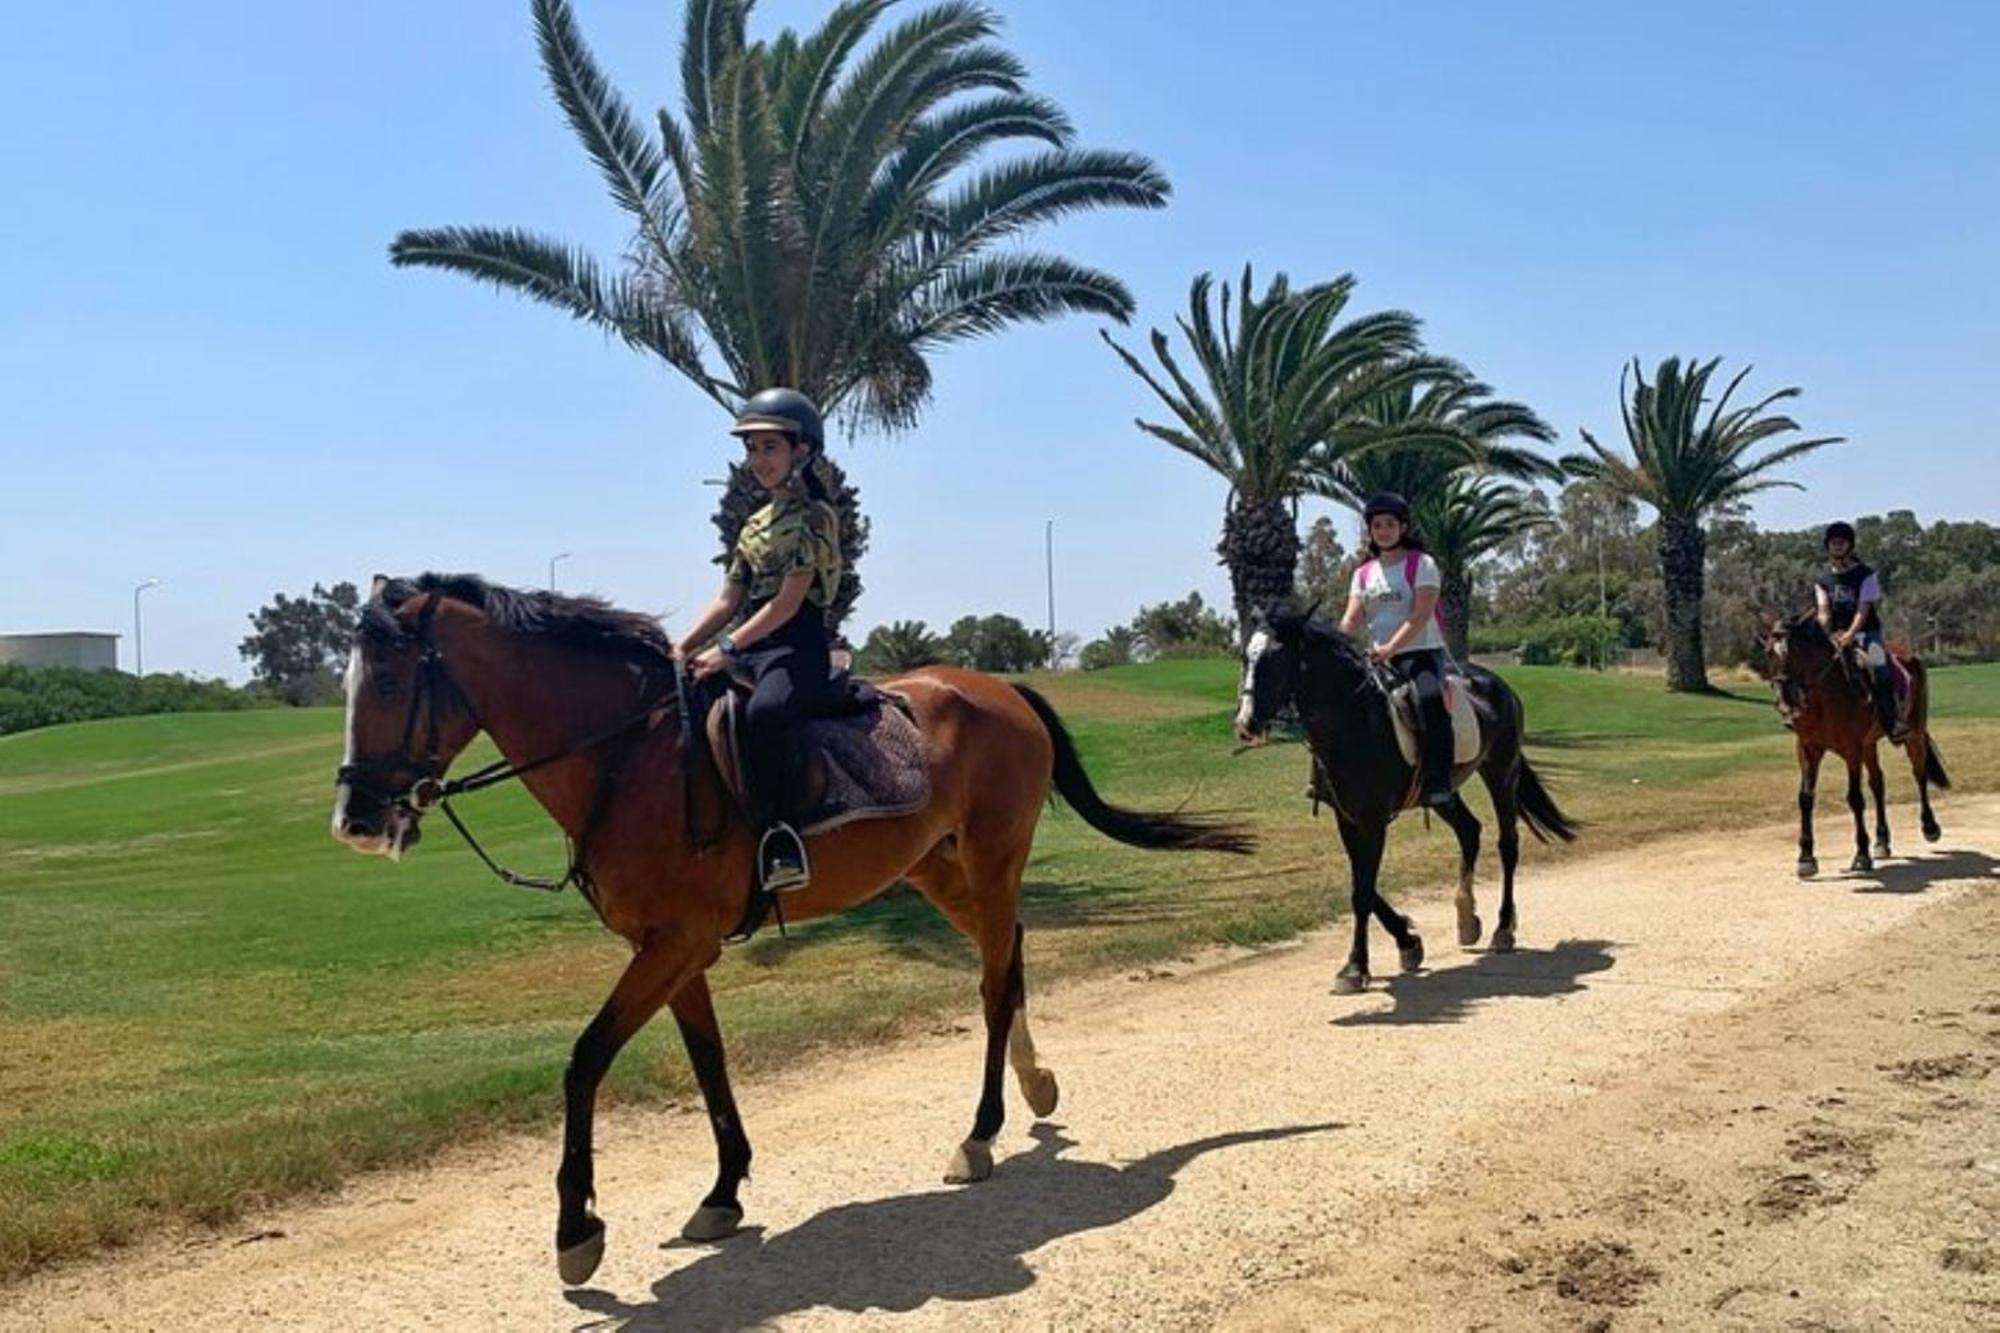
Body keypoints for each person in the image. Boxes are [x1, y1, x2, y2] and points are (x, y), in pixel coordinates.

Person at [675, 389, 843, 893]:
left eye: (770, 447)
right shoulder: (753, 526)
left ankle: (782, 834)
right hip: (753, 644)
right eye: (752, 450)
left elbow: (787, 604)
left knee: (765, 714)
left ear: (802, 451)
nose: (759, 460)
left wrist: (726, 650)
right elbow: (728, 600)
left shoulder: (816, 517)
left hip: (799, 647)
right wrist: (681, 648)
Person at [1340, 492, 1454, 806]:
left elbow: (1421, 615)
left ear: (1402, 527)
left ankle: (1439, 779)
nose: (1383, 530)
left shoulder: (1422, 564)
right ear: (1370, 530)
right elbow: (1352, 617)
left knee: (1429, 699)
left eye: (1390, 524)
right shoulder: (1362, 574)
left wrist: (1391, 647)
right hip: (1377, 659)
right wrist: (1337, 643)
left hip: (1420, 655)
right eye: (1377, 525)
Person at [1816, 520, 1903, 742]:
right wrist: (1824, 632)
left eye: (1841, 542)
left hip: (1866, 633)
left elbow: (1863, 610)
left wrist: (1850, 635)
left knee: (1879, 666)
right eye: (1833, 543)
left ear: (1849, 546)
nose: (1836, 546)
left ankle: (1892, 720)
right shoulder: (1823, 580)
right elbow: (1824, 610)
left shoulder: (1866, 575)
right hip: (1836, 635)